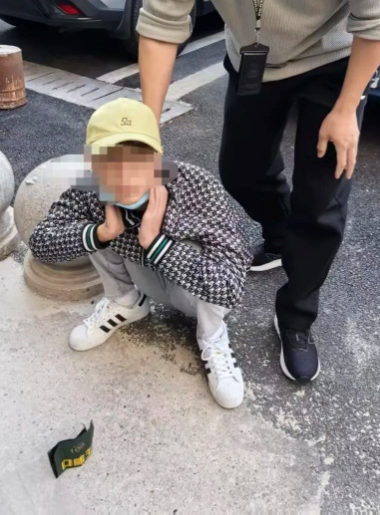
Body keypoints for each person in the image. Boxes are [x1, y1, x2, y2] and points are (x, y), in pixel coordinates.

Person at [136, 0, 380, 382]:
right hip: (253, 55)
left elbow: (378, 11)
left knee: (321, 202)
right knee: (240, 171)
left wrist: (347, 108)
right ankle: (280, 235)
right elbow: (161, 22)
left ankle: (297, 314)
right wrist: (144, 138)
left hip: (336, 59)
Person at [29, 98, 251, 409]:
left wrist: (155, 241)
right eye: (110, 162)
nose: (126, 175)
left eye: (139, 158)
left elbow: (229, 287)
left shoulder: (196, 185)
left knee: (201, 249)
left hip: (195, 296)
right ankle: (126, 303)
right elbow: (40, 243)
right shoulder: (90, 189)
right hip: (140, 275)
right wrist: (101, 233)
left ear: (158, 159)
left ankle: (212, 338)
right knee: (93, 228)